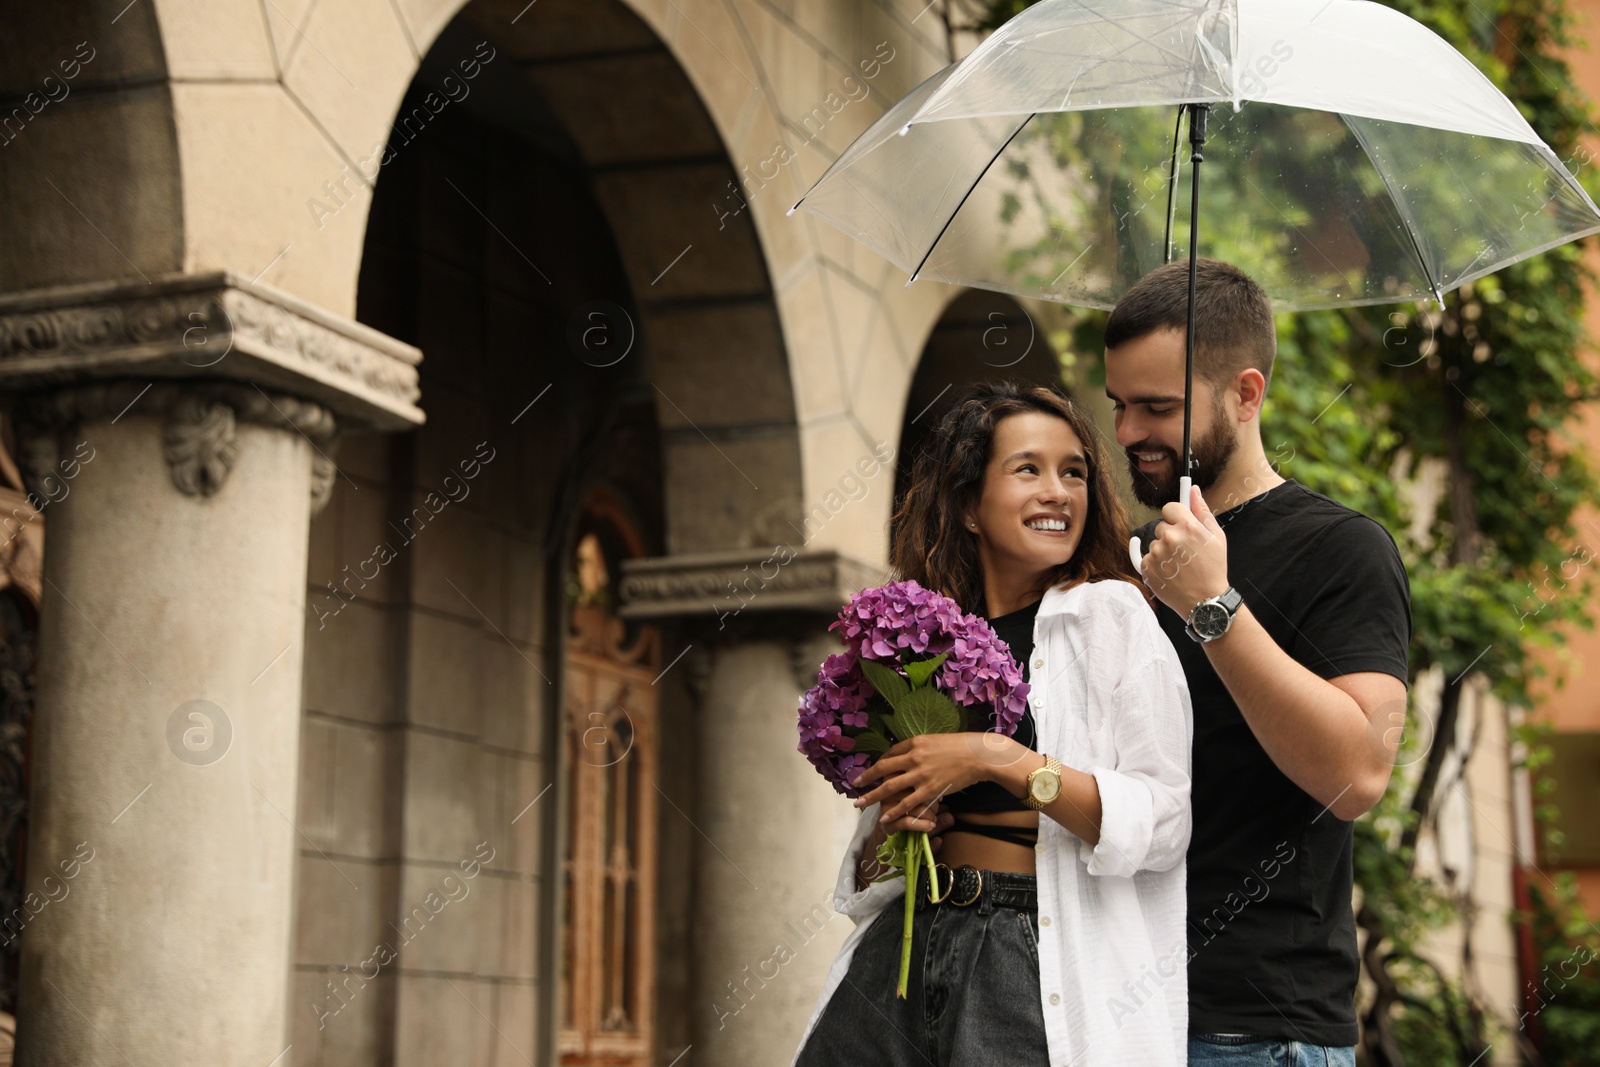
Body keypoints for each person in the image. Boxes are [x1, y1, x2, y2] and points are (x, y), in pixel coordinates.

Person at [791, 381, 1193, 1067]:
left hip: (1028, 955)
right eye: (1028, 468)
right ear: (970, 505)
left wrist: (996, 758)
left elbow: (1164, 821)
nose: (1059, 491)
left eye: (1074, 472)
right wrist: (892, 828)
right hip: (903, 950)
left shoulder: (1111, 616)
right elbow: (874, 870)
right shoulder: (922, 639)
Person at [1107, 259, 1412, 1067]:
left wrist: (1214, 607)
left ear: (1246, 394)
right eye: (1120, 405)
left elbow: (1359, 774)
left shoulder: (1342, 548)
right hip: (1112, 1009)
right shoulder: (1127, 561)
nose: (1129, 431)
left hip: (1253, 1029)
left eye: (1158, 407)